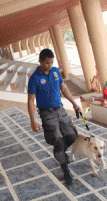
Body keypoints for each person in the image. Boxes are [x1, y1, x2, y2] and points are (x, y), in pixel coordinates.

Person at [27, 49, 80, 185]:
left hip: (60, 109)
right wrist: (33, 121)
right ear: (40, 61)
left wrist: (74, 104)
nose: (49, 65)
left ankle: (61, 152)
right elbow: (31, 101)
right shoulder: (34, 78)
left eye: (51, 62)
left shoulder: (56, 71)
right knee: (57, 141)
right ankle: (66, 170)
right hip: (47, 113)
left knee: (72, 135)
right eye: (47, 63)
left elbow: (64, 88)